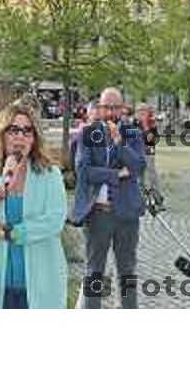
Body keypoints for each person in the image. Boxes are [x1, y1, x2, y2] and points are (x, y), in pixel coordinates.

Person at [0, 102, 68, 309]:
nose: (20, 136)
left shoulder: (50, 175)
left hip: (40, 286)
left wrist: (8, 233)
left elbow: (54, 220)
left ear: (34, 138)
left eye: (27, 131)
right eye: (13, 130)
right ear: (1, 135)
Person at [74, 87, 147, 309]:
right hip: (98, 213)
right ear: (99, 108)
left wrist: (119, 143)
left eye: (115, 108)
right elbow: (84, 171)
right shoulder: (87, 134)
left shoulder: (133, 134)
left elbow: (138, 166)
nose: (110, 113)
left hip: (126, 214)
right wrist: (116, 174)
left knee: (127, 272)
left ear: (123, 109)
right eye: (106, 107)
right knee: (94, 272)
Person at [136, 103, 160, 192]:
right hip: (138, 148)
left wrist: (145, 123)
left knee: (151, 169)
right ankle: (140, 188)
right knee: (139, 169)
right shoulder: (135, 123)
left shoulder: (151, 123)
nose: (140, 113)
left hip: (149, 147)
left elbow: (150, 138)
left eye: (143, 111)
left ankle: (154, 189)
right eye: (139, 111)